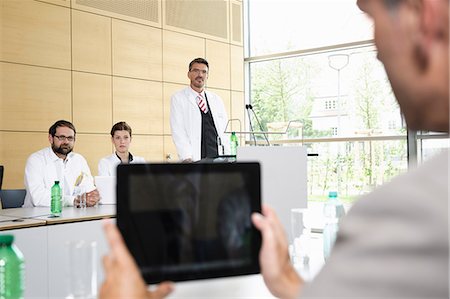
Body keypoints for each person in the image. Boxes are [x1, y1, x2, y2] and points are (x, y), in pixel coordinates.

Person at [100, 0, 449, 298]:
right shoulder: (180, 98)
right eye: (196, 70)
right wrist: (284, 278)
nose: (376, 49)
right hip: (194, 156)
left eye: (375, 20)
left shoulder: (413, 210)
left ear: (426, 14)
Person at [24, 120, 100, 207]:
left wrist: (92, 197)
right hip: (39, 215)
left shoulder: (79, 160)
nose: (66, 142)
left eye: (70, 138)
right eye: (61, 137)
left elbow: (88, 187)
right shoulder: (36, 160)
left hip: (73, 214)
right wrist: (73, 201)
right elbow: (38, 198)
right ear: (51, 138)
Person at [170, 58, 230, 162]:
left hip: (218, 157)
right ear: (189, 74)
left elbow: (225, 129)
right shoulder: (178, 98)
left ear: (207, 76)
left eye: (204, 72)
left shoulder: (216, 99)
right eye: (196, 71)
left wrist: (228, 154)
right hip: (195, 158)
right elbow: (178, 130)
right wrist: (186, 157)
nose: (200, 75)